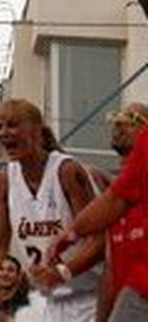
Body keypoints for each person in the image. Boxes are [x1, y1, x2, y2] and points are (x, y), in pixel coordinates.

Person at [0, 99, 101, 322]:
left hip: (87, 293)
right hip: (47, 295)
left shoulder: (66, 171)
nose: (3, 133)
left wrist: (63, 272)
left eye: (12, 125)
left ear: (37, 130)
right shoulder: (5, 179)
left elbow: (98, 239)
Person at [46, 103, 148, 321]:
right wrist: (71, 234)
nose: (119, 127)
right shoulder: (118, 192)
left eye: (130, 121)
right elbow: (110, 269)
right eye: (117, 122)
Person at [0, 255, 31, 321]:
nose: (5, 273)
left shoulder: (24, 303)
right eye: (1, 269)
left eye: (10, 270)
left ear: (18, 275)